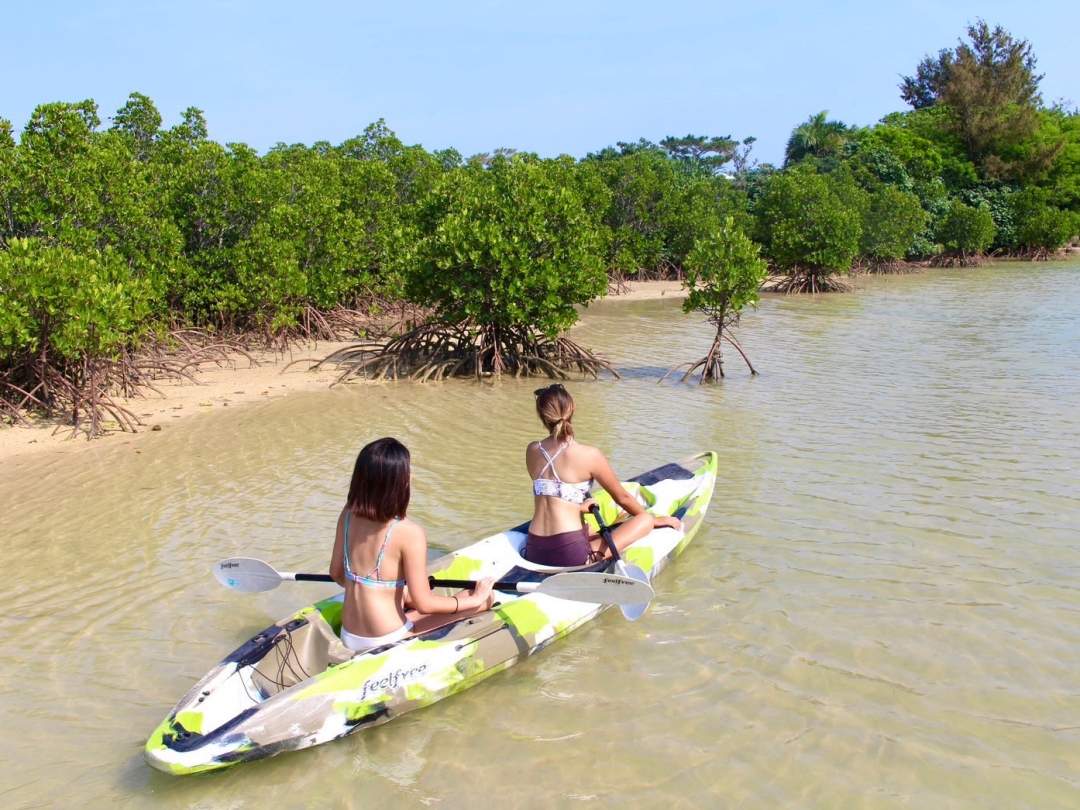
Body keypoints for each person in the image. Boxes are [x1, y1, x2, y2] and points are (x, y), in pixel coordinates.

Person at [330, 437, 494, 653]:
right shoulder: (409, 532)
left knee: (409, 598)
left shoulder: (348, 514)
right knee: (484, 600)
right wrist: (475, 598)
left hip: (349, 634)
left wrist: (392, 593)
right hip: (387, 637)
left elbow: (336, 573)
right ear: (398, 483)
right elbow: (424, 604)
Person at [524, 384, 681, 567]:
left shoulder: (532, 450)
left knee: (589, 528)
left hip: (534, 549)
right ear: (572, 408)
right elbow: (622, 498)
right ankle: (594, 557)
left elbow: (550, 494)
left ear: (541, 415)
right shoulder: (590, 455)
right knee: (644, 519)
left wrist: (580, 508)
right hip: (569, 556)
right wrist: (655, 520)